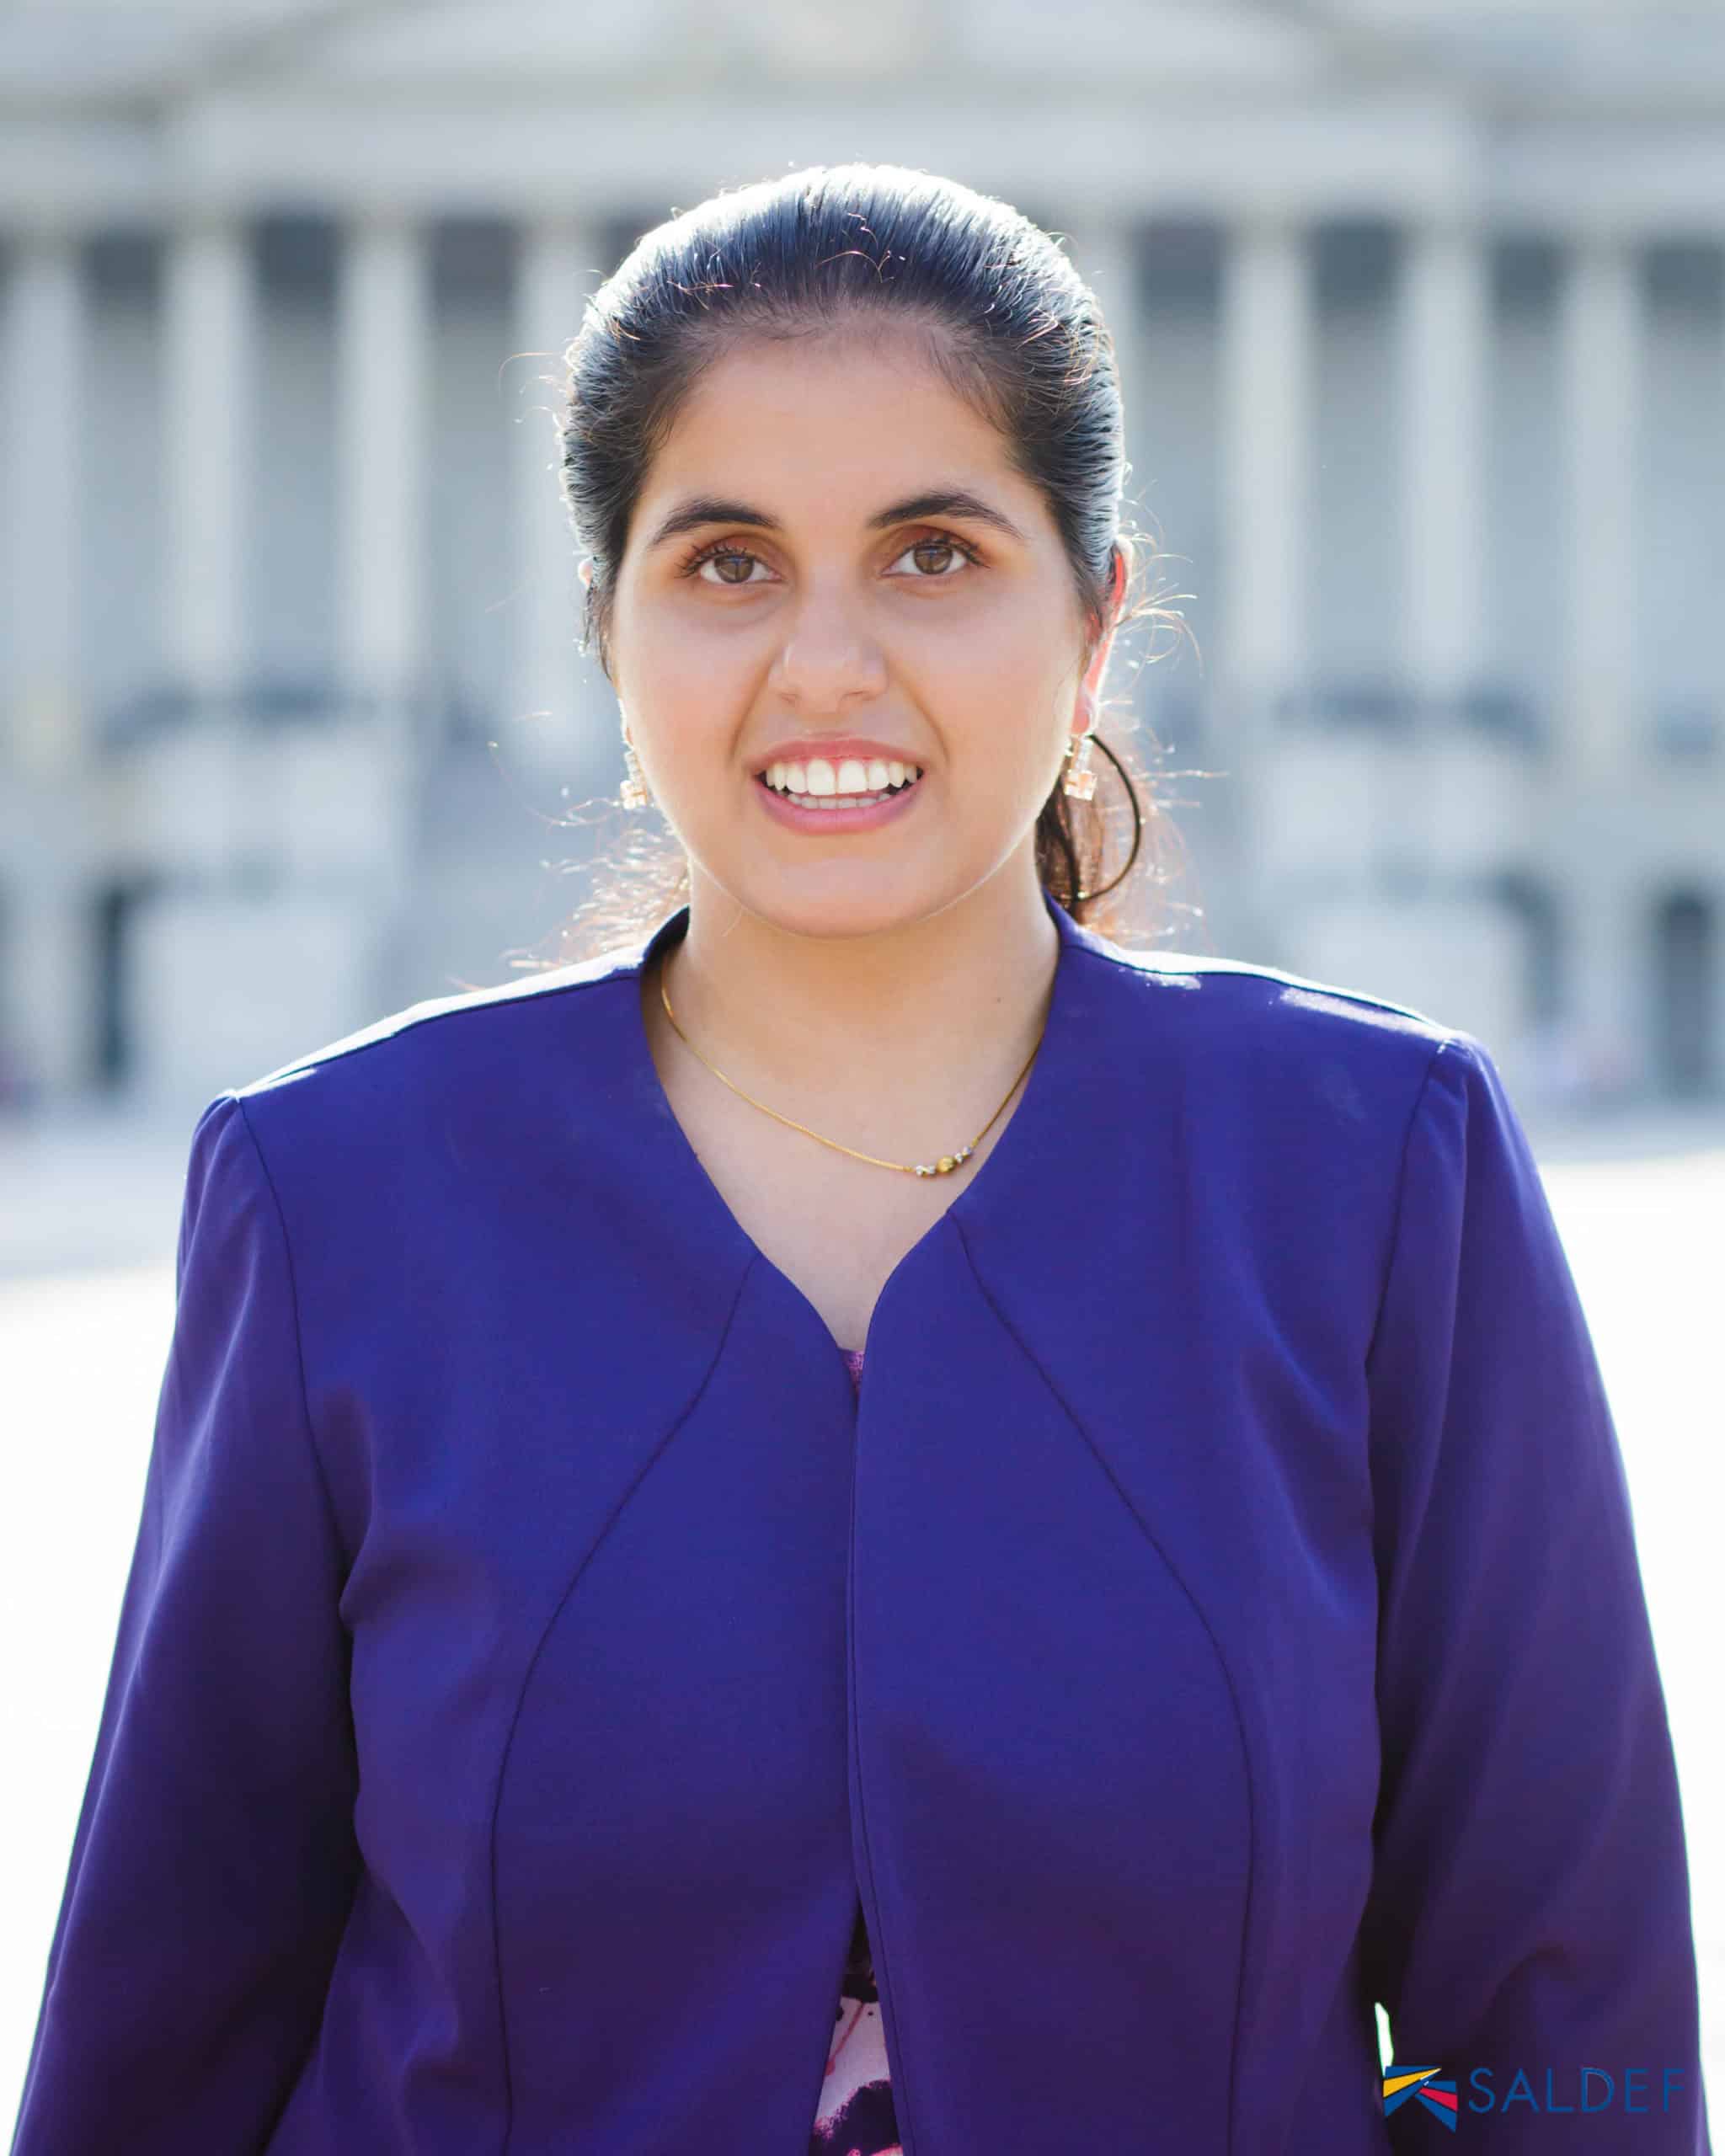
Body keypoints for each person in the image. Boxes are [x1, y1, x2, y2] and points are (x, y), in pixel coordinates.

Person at [9, 163, 1711, 2156]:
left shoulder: (1366, 1177)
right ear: (606, 630)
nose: (824, 667)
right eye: (725, 561)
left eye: (932, 552)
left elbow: (1555, 2020)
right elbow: (171, 2022)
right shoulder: (339, 1197)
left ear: (1093, 622)